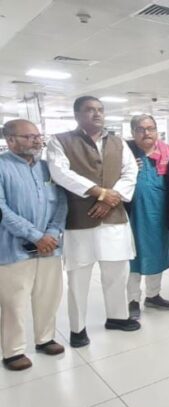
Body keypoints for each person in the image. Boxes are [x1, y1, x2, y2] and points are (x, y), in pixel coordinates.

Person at [47, 96, 140, 348]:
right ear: (77, 114)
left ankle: (117, 317)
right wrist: (99, 192)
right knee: (78, 277)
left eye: (100, 110)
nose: (97, 114)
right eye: (89, 110)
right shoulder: (60, 141)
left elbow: (130, 173)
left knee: (116, 272)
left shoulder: (118, 142)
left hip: (114, 218)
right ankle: (77, 328)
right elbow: (60, 173)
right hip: (80, 220)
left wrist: (110, 199)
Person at [0, 119, 66, 371]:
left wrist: (51, 232)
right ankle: (13, 351)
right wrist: (35, 236)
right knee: (14, 301)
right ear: (10, 140)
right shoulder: (2, 166)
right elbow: (2, 209)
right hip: (13, 247)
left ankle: (45, 338)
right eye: (29, 137)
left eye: (38, 136)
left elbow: (61, 202)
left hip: (50, 246)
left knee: (48, 295)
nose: (36, 141)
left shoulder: (48, 168)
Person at [126, 115, 169, 320]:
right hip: (132, 216)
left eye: (151, 128)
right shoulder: (124, 153)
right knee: (133, 257)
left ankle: (153, 295)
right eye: (141, 129)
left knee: (158, 253)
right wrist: (128, 168)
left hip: (158, 214)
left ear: (157, 131)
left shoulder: (168, 153)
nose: (146, 133)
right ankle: (132, 300)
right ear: (133, 132)